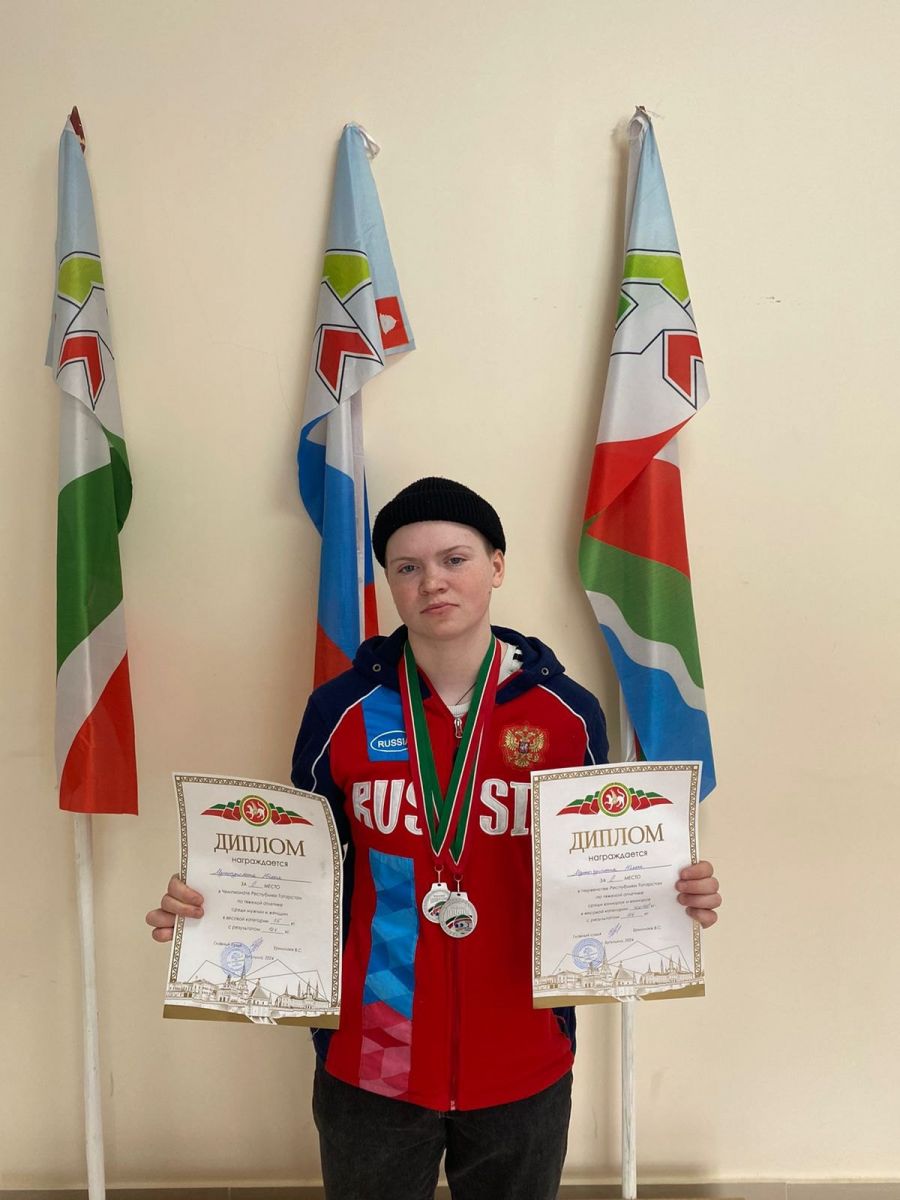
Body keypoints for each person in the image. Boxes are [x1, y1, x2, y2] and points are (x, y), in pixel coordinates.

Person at [147, 476, 721, 1200]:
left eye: (455, 559)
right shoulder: (339, 710)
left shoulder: (567, 714)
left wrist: (668, 892)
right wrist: (215, 905)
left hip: (523, 1053)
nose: (432, 582)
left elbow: (595, 863)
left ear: (497, 566)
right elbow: (303, 864)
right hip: (373, 1056)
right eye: (407, 567)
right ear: (389, 582)